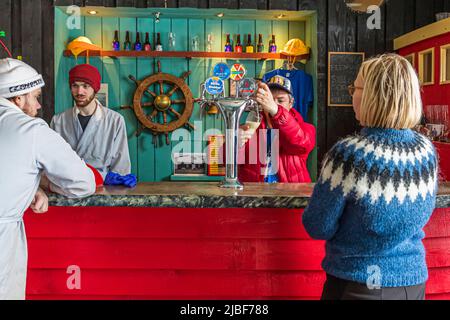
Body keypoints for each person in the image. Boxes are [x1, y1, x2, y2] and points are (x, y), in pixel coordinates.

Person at [302, 53, 438, 300]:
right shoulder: (425, 151)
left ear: (374, 96)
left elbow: (318, 225)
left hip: (361, 283)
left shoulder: (349, 155)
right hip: (414, 282)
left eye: (355, 87)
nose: (351, 93)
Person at [0, 58, 96, 299]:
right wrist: (42, 183)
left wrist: (30, 184)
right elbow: (83, 183)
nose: (39, 106)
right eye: (36, 97)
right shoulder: (31, 129)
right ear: (18, 98)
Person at [50, 64, 132, 182]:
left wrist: (118, 182)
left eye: (85, 86)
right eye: (75, 86)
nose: (79, 92)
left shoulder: (115, 121)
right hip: (67, 187)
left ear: (95, 88)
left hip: (102, 187)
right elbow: (52, 161)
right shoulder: (58, 121)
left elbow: (121, 164)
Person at [238, 75, 316, 183]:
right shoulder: (250, 128)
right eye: (270, 100)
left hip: (289, 195)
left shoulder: (306, 129)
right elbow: (226, 161)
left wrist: (276, 111)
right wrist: (234, 144)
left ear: (291, 103)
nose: (274, 104)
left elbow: (299, 144)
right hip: (254, 195)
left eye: (280, 100)